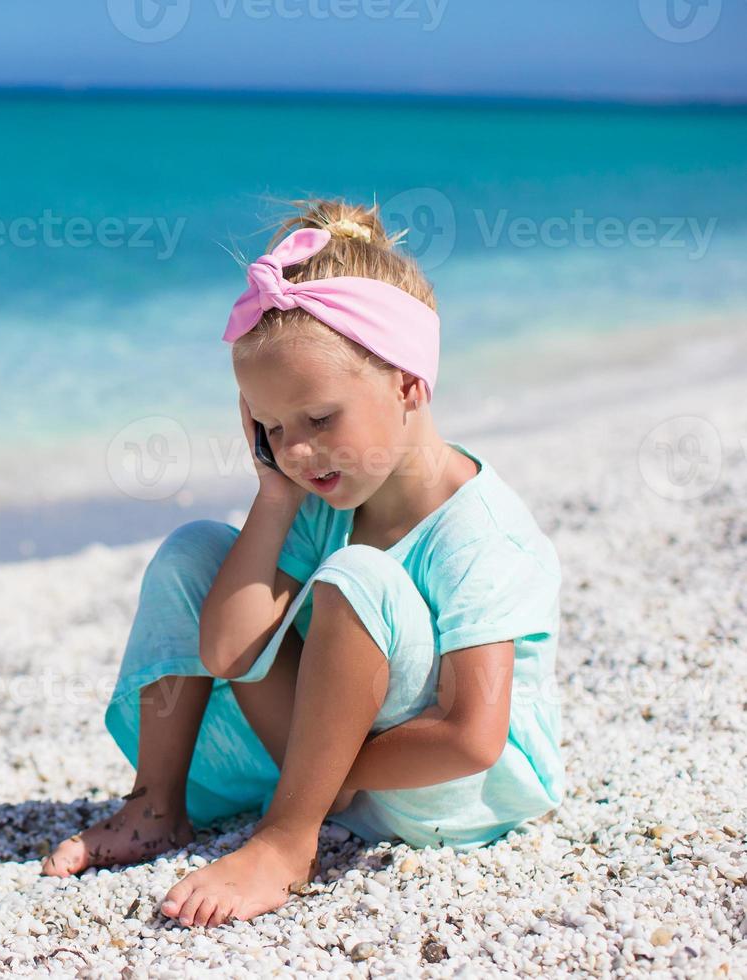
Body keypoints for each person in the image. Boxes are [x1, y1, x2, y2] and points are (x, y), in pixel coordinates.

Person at [41, 198, 564, 928]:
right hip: (330, 772)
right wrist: (274, 498)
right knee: (195, 550)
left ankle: (287, 841)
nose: (297, 451)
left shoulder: (479, 532)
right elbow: (229, 649)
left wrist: (319, 784)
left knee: (358, 578)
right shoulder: (318, 497)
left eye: (319, 420)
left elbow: (473, 737)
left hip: (444, 790)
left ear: (410, 384)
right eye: (273, 428)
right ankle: (156, 807)